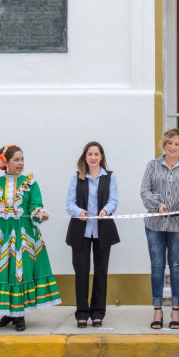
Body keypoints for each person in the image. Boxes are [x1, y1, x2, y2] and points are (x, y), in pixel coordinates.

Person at [0, 144, 61, 331]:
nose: (21, 163)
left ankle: (19, 316)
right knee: (4, 272)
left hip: (24, 234)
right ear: (6, 163)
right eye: (16, 160)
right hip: (1, 235)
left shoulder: (30, 183)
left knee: (19, 272)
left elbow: (36, 204)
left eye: (22, 159)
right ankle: (7, 312)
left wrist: (39, 213)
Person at [140, 129, 179, 330]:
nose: (173, 147)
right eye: (170, 143)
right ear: (163, 144)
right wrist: (158, 205)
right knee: (157, 267)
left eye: (177, 143)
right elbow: (145, 191)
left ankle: (176, 310)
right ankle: (157, 310)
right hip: (155, 224)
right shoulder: (152, 165)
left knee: (176, 266)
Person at [65, 141, 120, 328]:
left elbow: (114, 199)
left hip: (103, 231)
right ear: (85, 157)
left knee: (100, 272)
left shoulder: (109, 177)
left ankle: (98, 312)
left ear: (101, 156)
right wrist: (78, 212)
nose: (93, 157)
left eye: (96, 154)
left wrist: (106, 210)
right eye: (90, 154)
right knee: (81, 273)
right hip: (80, 231)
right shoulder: (77, 177)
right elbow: (69, 203)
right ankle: (82, 312)